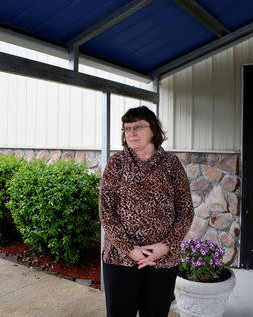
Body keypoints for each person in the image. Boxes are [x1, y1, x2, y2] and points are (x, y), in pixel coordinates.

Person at [99, 106, 194, 317]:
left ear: (153, 130)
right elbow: (106, 211)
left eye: (138, 127)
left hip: (162, 260)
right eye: (127, 128)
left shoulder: (171, 164)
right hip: (120, 259)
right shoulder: (117, 163)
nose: (131, 132)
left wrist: (166, 246)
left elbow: (186, 211)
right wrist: (129, 248)